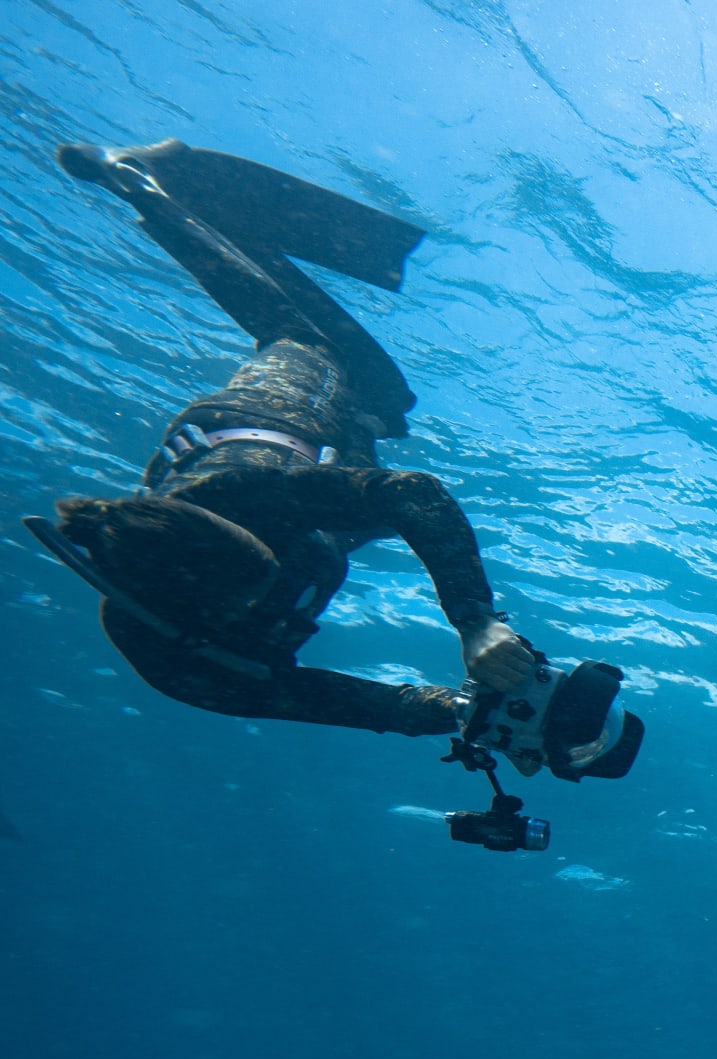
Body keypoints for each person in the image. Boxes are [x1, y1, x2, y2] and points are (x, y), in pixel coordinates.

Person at [28, 139, 639, 779]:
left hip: (269, 425)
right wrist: (467, 714)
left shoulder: (237, 498)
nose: (273, 585)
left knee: (303, 340)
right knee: (381, 426)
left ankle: (137, 184)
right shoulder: (183, 667)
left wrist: (476, 623)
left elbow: (415, 494)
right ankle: (360, 418)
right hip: (313, 511)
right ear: (196, 616)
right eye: (263, 585)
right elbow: (349, 701)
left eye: (266, 568)